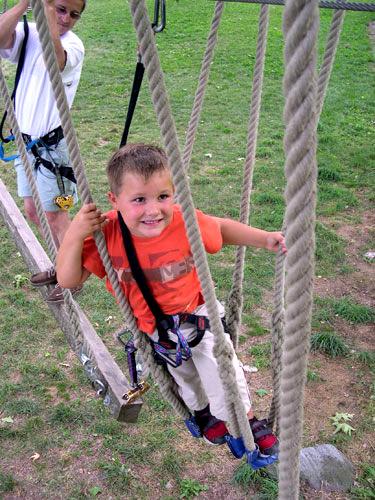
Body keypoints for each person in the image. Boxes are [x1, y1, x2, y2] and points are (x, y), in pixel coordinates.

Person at [56, 143, 287, 454]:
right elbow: (68, 279)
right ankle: (204, 415)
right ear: (115, 200)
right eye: (139, 200)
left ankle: (245, 423)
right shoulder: (107, 232)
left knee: (222, 369)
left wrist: (265, 239)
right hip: (157, 332)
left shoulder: (182, 220)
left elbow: (220, 228)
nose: (153, 210)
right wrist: (75, 233)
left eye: (162, 197)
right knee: (186, 379)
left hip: (198, 317)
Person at [0, 0, 86, 302]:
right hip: (27, 145)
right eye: (61, 9)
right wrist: (26, 4)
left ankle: (72, 274)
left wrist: (48, 9)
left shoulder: (73, 46)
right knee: (34, 211)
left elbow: (55, 59)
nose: (66, 18)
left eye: (74, 14)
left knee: (56, 217)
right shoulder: (29, 32)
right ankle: (63, 263)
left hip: (51, 149)